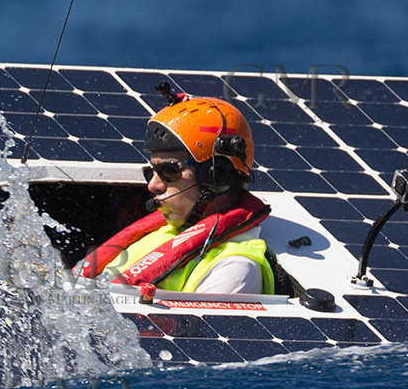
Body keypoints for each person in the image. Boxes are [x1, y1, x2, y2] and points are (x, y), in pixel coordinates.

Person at [74, 87, 275, 295]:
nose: (152, 185)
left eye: (169, 171)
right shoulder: (163, 231)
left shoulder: (233, 271)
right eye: (151, 172)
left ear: (216, 176)